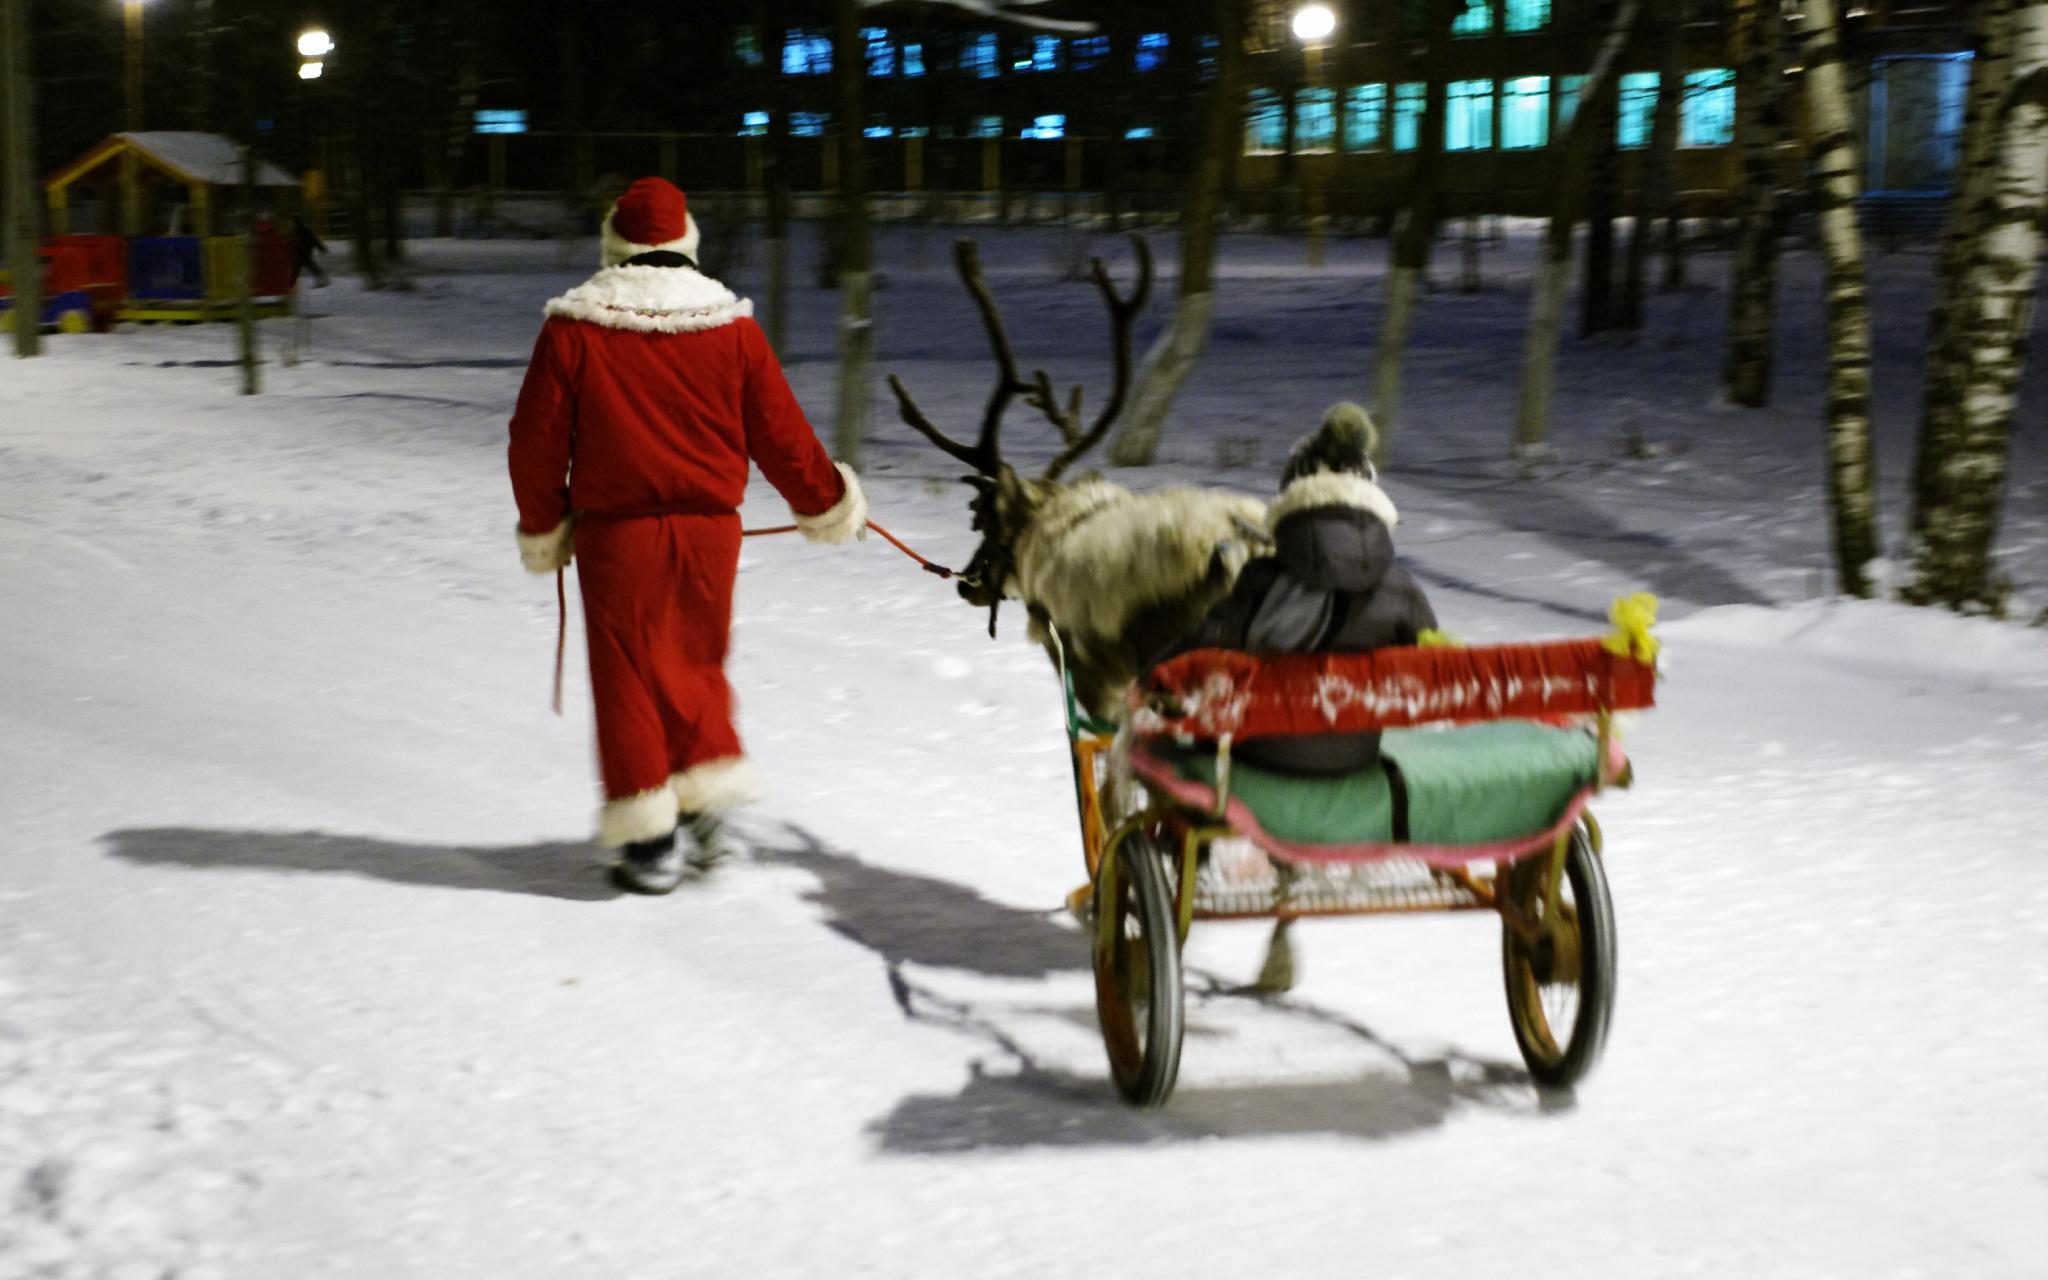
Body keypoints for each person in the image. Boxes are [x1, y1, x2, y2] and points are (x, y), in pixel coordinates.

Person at [507, 177, 866, 893]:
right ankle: (704, 807)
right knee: (695, 661)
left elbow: (535, 441)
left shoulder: (575, 327)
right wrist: (826, 501)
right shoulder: (732, 328)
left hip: (617, 536)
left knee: (628, 678)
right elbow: (782, 434)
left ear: (617, 245)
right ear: (685, 244)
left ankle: (649, 843)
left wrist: (545, 522)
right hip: (710, 535)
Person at [1157, 401, 1436, 775]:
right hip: (1355, 758)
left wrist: (1147, 681)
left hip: (1259, 755)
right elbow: (1426, 680)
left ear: (1293, 499)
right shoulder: (1403, 590)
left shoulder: (1262, 580)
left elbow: (1192, 656)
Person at [290, 215, 329, 288]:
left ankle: (290, 284)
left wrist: (321, 247)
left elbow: (313, 239)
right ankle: (322, 278)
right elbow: (314, 239)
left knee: (298, 268)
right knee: (308, 267)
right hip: (304, 252)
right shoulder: (303, 230)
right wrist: (321, 248)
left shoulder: (296, 231)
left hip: (302, 253)